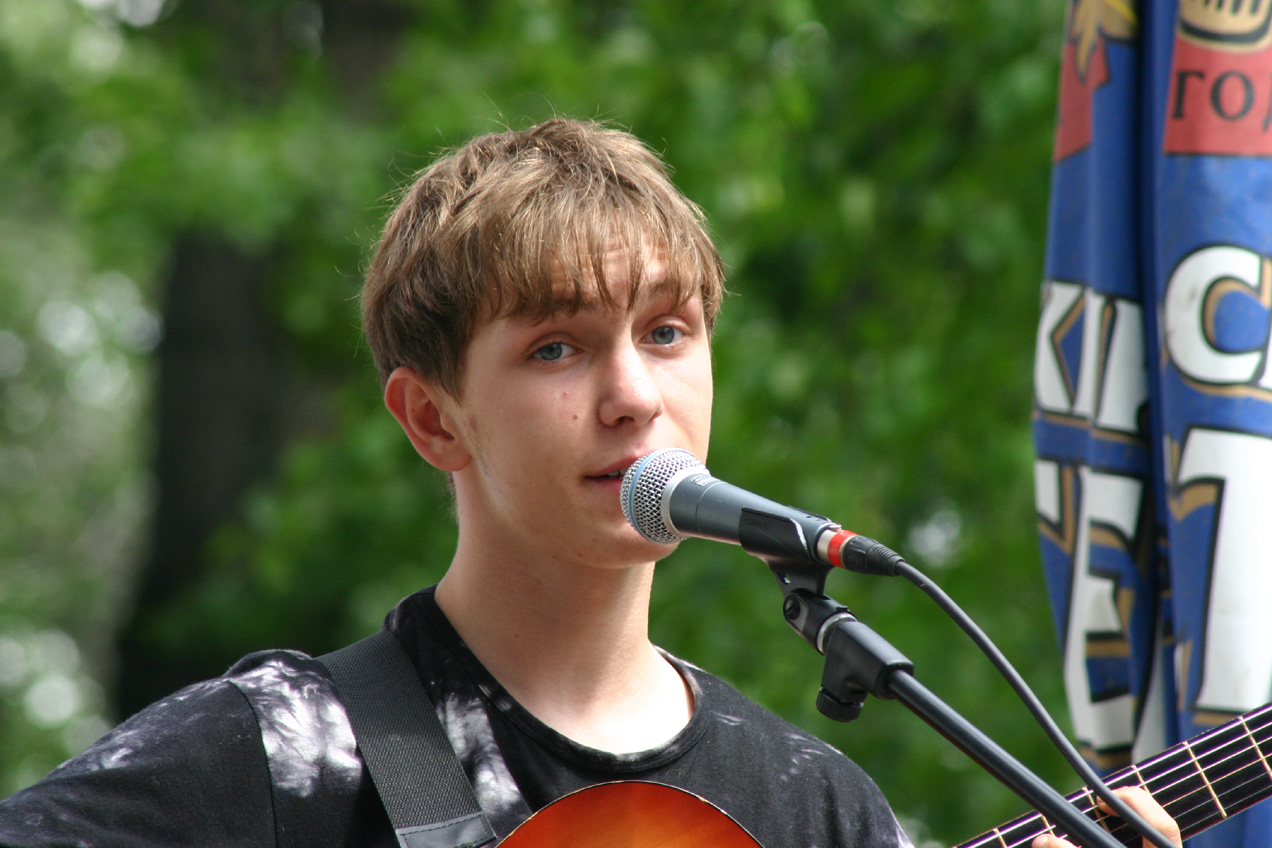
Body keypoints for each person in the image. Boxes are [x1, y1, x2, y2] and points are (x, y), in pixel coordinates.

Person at [0, 118, 1179, 848]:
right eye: (557, 347)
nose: (633, 394)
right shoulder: (288, 749)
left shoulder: (811, 801)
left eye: (666, 332)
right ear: (433, 416)